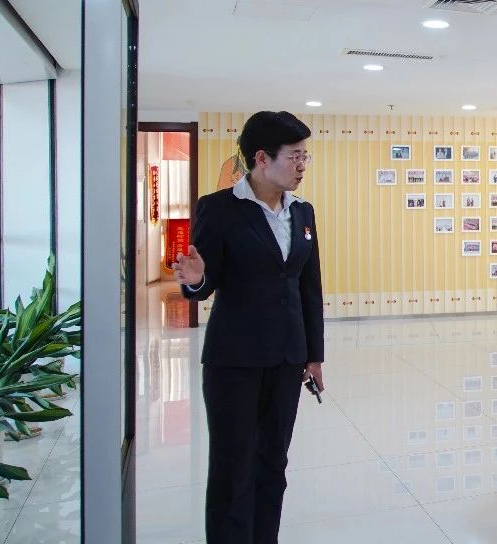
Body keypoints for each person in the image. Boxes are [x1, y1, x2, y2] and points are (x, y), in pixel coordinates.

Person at [173, 111, 324, 543]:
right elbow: (203, 285)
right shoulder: (220, 209)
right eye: (294, 156)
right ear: (261, 158)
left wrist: (314, 356)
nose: (302, 165)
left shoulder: (303, 212)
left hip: (287, 358)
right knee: (232, 467)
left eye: (305, 156)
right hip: (233, 360)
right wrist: (196, 278)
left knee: (273, 463)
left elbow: (308, 287)